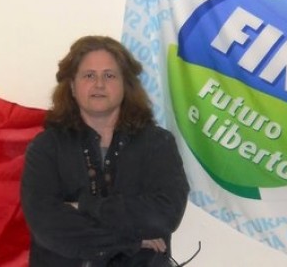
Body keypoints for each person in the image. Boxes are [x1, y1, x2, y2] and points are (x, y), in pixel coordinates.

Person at [21, 35, 190, 266]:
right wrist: (131, 242)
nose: (99, 84)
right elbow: (47, 226)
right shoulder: (46, 147)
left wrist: (84, 206)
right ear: (72, 86)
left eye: (109, 75)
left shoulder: (158, 144)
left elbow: (163, 216)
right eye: (89, 75)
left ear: (125, 85)